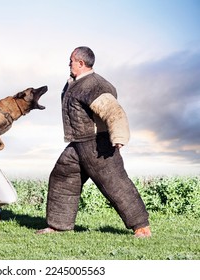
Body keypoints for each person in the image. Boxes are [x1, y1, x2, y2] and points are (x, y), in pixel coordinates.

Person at [36, 46, 151, 238]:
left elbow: (113, 111)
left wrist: (119, 137)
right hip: (78, 143)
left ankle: (141, 227)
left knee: (116, 184)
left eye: (71, 60)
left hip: (98, 144)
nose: (68, 64)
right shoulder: (75, 82)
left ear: (81, 63)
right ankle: (58, 225)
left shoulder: (94, 85)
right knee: (62, 176)